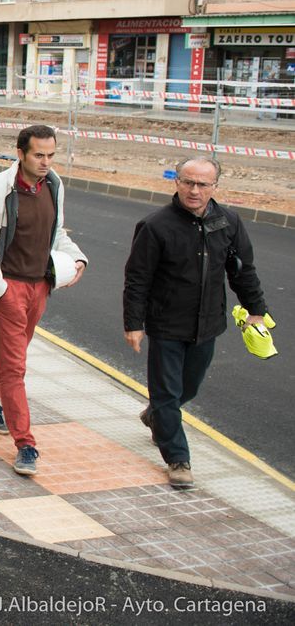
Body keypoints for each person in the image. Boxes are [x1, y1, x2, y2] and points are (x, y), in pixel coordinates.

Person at [122, 156, 268, 490]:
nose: (194, 190)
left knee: (189, 387)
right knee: (166, 392)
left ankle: (157, 415)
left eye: (203, 184)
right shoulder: (155, 225)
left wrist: (256, 308)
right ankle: (177, 458)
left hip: (208, 324)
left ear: (215, 187)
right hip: (166, 324)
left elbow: (243, 270)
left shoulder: (228, 222)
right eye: (188, 182)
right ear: (176, 182)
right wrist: (134, 322)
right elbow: (137, 279)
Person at [0, 124, 87, 477]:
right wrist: (0, 290)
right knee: (15, 366)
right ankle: (26, 444)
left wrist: (76, 258)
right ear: (20, 153)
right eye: (38, 155)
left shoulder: (54, 184)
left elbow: (57, 233)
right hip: (9, 288)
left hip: (40, 287)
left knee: (9, 352)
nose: (46, 162)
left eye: (51, 155)